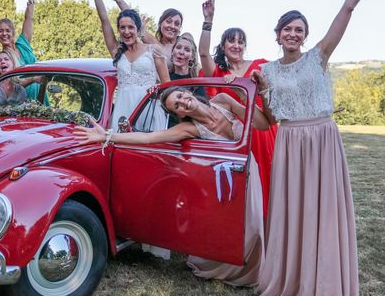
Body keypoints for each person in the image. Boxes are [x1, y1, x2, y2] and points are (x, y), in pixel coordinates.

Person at [251, 0, 385, 296]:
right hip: (289, 142)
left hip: (321, 139)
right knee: (292, 213)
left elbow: (345, 12)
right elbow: (268, 119)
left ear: (306, 35)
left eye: (300, 29)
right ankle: (291, 280)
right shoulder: (265, 71)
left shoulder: (319, 57)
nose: (294, 34)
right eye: (288, 29)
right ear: (278, 35)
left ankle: (325, 287)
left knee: (324, 213)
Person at [74, 86, 271, 285]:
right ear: (179, 114)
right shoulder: (189, 129)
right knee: (238, 222)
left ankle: (253, 264)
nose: (183, 102)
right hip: (221, 173)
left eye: (180, 96)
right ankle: (235, 267)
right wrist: (107, 136)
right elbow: (149, 138)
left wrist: (246, 98)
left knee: (253, 219)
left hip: (247, 166)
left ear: (187, 92)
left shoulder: (223, 101)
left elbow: (263, 125)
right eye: (177, 106)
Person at [199, 0, 278, 217]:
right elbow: (203, 53)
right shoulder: (218, 73)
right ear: (223, 47)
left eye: (240, 41)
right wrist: (208, 20)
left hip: (264, 133)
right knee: (244, 184)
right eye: (231, 41)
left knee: (269, 178)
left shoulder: (260, 65)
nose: (236, 45)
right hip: (237, 135)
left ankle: (271, 229)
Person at [86, 0, 169, 129]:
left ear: (138, 29)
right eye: (122, 28)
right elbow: (103, 18)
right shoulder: (117, 50)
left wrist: (158, 91)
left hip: (149, 110)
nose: (126, 32)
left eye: (130, 27)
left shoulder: (153, 51)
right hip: (123, 111)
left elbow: (167, 84)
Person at [96, 0, 183, 64]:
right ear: (160, 24)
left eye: (177, 24)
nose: (172, 26)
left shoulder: (184, 45)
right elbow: (131, 17)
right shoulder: (154, 44)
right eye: (168, 22)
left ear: (180, 28)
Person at [0, 0, 45, 100]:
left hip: (40, 94)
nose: (4, 34)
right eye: (0, 31)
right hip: (21, 102)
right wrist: (32, 79)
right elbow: (6, 87)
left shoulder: (23, 44)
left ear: (13, 32)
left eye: (7, 30)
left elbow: (28, 19)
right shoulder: (2, 60)